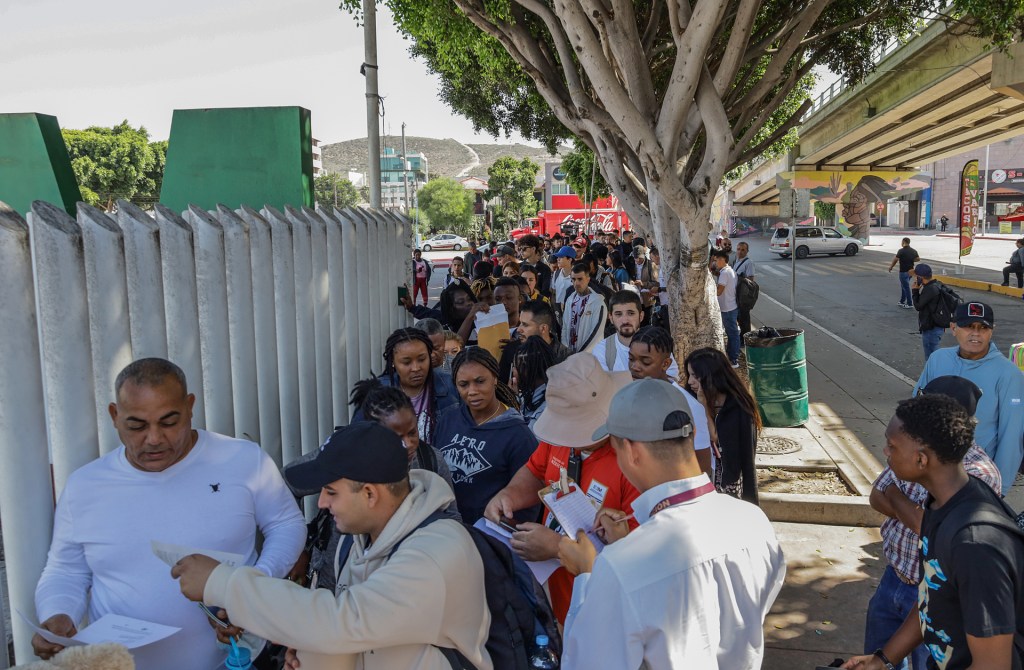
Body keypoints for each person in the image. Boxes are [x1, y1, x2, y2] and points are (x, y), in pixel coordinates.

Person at [33, 358, 305, 669]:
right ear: (114, 415)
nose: (154, 438)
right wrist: (57, 615)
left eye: (168, 422)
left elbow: (286, 524)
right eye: (136, 425)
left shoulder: (243, 460)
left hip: (235, 661)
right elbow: (66, 571)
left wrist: (253, 586)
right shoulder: (85, 485)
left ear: (190, 407)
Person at [173, 422, 492, 670]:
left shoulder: (434, 554)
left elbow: (343, 622)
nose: (322, 503)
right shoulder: (363, 537)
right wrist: (310, 647)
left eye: (330, 491)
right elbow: (346, 631)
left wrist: (222, 583)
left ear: (370, 494)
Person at [557, 378, 786, 670]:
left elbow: (586, 663)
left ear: (630, 450)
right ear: (688, 438)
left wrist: (587, 574)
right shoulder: (755, 522)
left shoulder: (619, 567)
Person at [842, 395, 1024, 670]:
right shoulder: (939, 505)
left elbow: (993, 665)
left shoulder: (974, 546)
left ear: (921, 460)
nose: (885, 452)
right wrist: (882, 659)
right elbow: (932, 594)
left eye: (892, 446)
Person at [484, 354, 639, 624]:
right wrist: (508, 496)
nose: (572, 441)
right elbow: (536, 471)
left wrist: (556, 547)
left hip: (606, 614)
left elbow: (635, 555)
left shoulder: (633, 462)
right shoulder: (559, 438)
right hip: (559, 600)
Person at [913, 302, 1024, 494]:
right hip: (927, 468)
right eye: (968, 326)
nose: (976, 333)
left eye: (983, 328)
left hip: (973, 479)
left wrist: (999, 489)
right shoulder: (938, 359)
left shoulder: (1008, 374)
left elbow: (1011, 436)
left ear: (992, 331)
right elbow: (915, 409)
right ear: (954, 328)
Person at [435, 347, 538, 523]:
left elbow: (529, 497)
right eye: (463, 384)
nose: (472, 391)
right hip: (447, 530)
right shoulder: (448, 420)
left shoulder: (518, 435)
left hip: (489, 537)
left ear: (495, 379)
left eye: (480, 381)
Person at [627, 326, 714, 479]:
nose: (635, 367)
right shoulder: (626, 398)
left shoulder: (689, 406)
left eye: (645, 361)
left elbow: (703, 468)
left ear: (666, 364)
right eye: (631, 359)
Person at [685, 347, 761, 504]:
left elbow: (716, 439)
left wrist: (704, 408)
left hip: (728, 480)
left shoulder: (738, 407)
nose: (689, 381)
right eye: (689, 375)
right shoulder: (691, 397)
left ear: (711, 375)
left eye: (694, 375)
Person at [373, 328, 461, 445]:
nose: (416, 368)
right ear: (393, 362)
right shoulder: (377, 391)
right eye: (406, 362)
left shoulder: (451, 385)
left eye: (421, 359)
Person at [592, 290, 680, 378]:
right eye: (618, 314)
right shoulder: (602, 350)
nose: (625, 320)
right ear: (611, 318)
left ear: (641, 316)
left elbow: (671, 380)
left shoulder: (657, 344)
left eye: (630, 313)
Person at [560, 263, 608, 354]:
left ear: (588, 279)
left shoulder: (598, 303)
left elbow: (596, 334)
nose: (576, 283)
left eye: (580, 279)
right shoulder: (570, 300)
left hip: (589, 357)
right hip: (570, 355)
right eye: (573, 279)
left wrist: (581, 355)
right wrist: (566, 350)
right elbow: (565, 327)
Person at [513, 335, 556, 428]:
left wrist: (512, 403)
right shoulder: (528, 395)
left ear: (525, 370)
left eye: (515, 367)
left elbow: (526, 438)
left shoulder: (546, 407)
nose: (513, 372)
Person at [909, 264, 946, 361]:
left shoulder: (929, 289)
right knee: (934, 355)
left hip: (931, 328)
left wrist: (915, 291)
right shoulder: (936, 284)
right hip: (937, 326)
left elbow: (918, 306)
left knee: (931, 357)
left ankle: (933, 375)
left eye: (917, 276)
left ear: (920, 277)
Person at [712, 250, 741, 367]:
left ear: (724, 260)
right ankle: (731, 355)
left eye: (718, 260)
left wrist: (710, 288)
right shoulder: (729, 270)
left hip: (727, 308)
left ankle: (734, 359)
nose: (716, 262)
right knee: (731, 333)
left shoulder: (724, 273)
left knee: (732, 333)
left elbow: (719, 292)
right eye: (715, 260)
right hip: (730, 306)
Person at [888, 237, 919, 309]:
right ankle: (902, 301)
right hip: (910, 271)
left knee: (906, 287)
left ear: (903, 242)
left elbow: (896, 259)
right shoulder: (913, 251)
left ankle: (909, 303)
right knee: (903, 286)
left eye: (901, 242)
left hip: (903, 271)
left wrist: (891, 267)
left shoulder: (901, 251)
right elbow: (918, 259)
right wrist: (910, 260)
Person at [733, 241, 755, 337]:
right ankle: (742, 336)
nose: (740, 251)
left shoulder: (749, 262)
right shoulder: (737, 260)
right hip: (737, 294)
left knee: (744, 318)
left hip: (743, 295)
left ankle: (746, 338)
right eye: (738, 249)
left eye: (743, 250)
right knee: (739, 317)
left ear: (747, 251)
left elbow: (750, 280)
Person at [550, 246, 576, 312]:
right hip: (557, 312)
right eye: (558, 257)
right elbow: (553, 293)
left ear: (570, 259)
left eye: (561, 257)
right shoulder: (556, 274)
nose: (557, 259)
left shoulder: (576, 277)